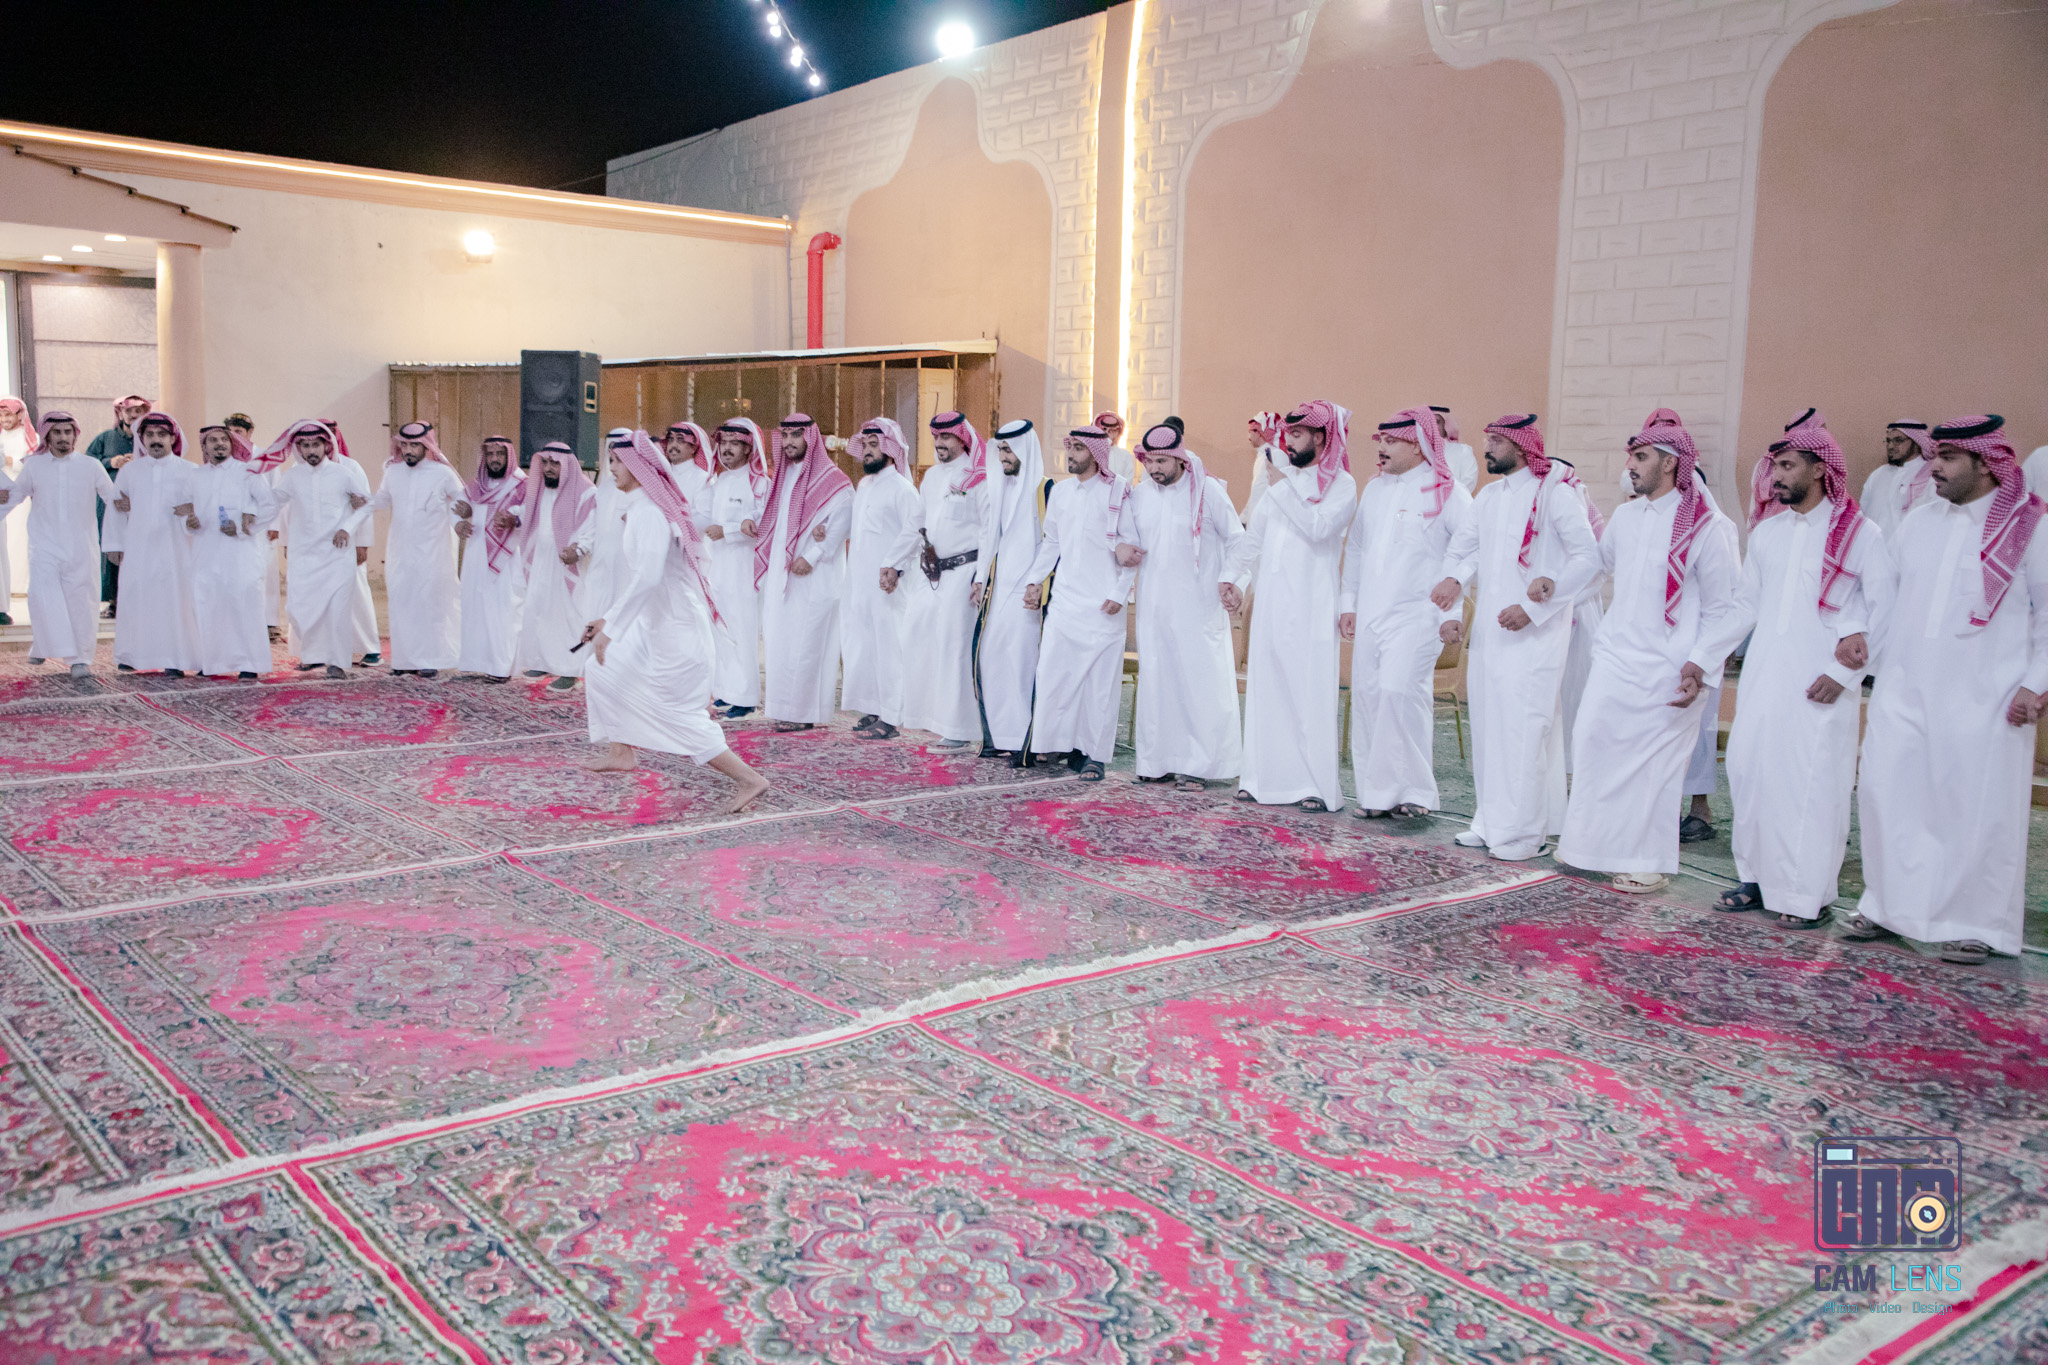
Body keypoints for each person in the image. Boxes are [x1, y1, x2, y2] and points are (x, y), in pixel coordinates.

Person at [1850, 415, 2045, 964]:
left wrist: (2035, 684)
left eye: (1949, 458)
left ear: (1987, 463)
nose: (1933, 466)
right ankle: (1887, 906)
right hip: (1904, 685)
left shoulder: (2030, 527)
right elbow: (1881, 596)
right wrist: (1859, 643)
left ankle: (1976, 923)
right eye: (1934, 455)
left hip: (1988, 695)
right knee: (1887, 792)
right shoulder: (1919, 521)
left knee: (1976, 809)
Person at [1715, 413, 1893, 928]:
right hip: (1764, 677)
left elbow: (1883, 612)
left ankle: (1804, 895)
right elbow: (1745, 606)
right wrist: (1703, 657)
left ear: (1820, 469)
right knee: (1749, 771)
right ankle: (1753, 877)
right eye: (1775, 467)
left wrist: (1843, 677)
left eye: (1788, 466)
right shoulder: (1768, 534)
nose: (1776, 476)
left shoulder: (1861, 534)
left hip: (1821, 683)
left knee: (1810, 786)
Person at [1556, 409, 1744, 893]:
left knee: (1655, 767)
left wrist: (1700, 664)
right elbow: (1597, 569)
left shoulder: (1709, 526)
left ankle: (1648, 861)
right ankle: (1590, 847)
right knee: (1592, 738)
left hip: (1673, 664)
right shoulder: (1626, 517)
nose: (1631, 466)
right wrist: (1551, 590)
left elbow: (1727, 608)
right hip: (1617, 656)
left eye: (1640, 457)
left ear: (1669, 462)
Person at [578, 430, 771, 812]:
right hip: (654, 625)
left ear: (638, 467)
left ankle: (750, 779)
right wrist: (607, 620)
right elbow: (643, 580)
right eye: (611, 460)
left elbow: (648, 578)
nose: (611, 468)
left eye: (617, 462)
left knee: (680, 717)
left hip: (678, 630)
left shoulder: (649, 513)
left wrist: (612, 628)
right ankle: (621, 751)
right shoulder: (641, 509)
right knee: (602, 669)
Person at [1437, 415, 1601, 859]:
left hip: (1536, 637)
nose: (1487, 447)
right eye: (1487, 438)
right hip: (1491, 635)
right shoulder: (1489, 497)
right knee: (1490, 727)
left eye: (1496, 440)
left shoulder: (1556, 494)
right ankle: (1490, 822)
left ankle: (1526, 835)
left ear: (1522, 446)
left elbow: (1588, 558)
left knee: (1525, 730)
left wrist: (1534, 609)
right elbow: (1462, 550)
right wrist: (1453, 590)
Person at [1340, 408, 1475, 818]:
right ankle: (1376, 794)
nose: (1381, 448)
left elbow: (1471, 547)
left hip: (1419, 615)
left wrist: (1454, 598)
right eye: (1380, 441)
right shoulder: (1375, 490)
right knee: (1369, 697)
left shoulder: (1449, 492)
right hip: (1371, 613)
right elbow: (1356, 548)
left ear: (1417, 446)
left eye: (1391, 441)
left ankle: (1416, 792)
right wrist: (1348, 603)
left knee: (1400, 693)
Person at [1228, 400, 1359, 811]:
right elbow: (1254, 537)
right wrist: (1232, 577)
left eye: (1298, 434)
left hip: (1313, 603)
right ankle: (1261, 779)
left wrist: (1283, 485)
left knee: (1309, 691)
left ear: (1321, 437)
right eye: (1289, 433)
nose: (1289, 441)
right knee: (1267, 689)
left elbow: (1319, 528)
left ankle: (1312, 785)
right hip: (1271, 600)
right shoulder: (1281, 483)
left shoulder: (1342, 485)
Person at [1114, 422, 1244, 790]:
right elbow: (1125, 540)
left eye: (1162, 461)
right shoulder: (1141, 496)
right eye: (1149, 461)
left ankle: (1200, 766)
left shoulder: (1208, 491)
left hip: (1199, 607)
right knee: (1158, 681)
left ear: (1180, 459)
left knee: (1198, 684)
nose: (1154, 468)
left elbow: (1238, 540)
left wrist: (1231, 579)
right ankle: (1156, 761)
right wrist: (1121, 549)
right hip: (1155, 606)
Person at [1019, 427, 1138, 780]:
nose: (1070, 454)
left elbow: (1132, 548)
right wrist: (1034, 580)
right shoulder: (1061, 492)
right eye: (1069, 446)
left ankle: (1093, 756)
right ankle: (1054, 743)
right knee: (1054, 674)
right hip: (1065, 602)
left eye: (1079, 448)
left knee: (1099, 686)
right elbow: (1052, 543)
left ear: (1097, 454)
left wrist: (1120, 593)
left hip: (1104, 604)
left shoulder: (1117, 491)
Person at [755, 413, 852, 731]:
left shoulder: (834, 480)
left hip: (814, 577)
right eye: (784, 436)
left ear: (810, 438)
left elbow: (842, 517)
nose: (789, 442)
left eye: (796, 435)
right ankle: (785, 709)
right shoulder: (782, 479)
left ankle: (802, 713)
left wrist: (812, 555)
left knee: (807, 644)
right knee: (780, 642)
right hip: (783, 577)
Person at [0, 412, 116, 676]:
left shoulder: (91, 466)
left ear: (75, 435)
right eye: (57, 432)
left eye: (68, 432)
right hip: (44, 545)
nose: (63, 438)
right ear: (47, 436)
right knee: (42, 596)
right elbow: (14, 496)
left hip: (81, 546)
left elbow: (114, 499)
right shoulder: (34, 466)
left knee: (81, 601)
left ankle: (80, 659)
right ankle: (44, 644)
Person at [902, 411, 988, 747]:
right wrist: (893, 563)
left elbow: (988, 531)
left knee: (955, 650)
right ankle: (930, 719)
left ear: (962, 439)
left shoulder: (979, 477)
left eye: (946, 437)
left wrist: (982, 578)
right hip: (932, 574)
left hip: (965, 574)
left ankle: (959, 730)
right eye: (936, 437)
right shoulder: (932, 477)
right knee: (920, 639)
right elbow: (916, 524)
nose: (939, 443)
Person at [267, 420, 372, 678]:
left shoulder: (343, 473)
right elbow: (273, 503)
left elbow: (366, 506)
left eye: (316, 444)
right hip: (303, 555)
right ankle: (313, 655)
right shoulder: (293, 476)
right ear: (299, 448)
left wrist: (347, 528)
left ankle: (337, 661)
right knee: (300, 608)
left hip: (337, 554)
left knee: (337, 609)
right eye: (305, 445)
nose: (311, 450)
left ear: (326, 446)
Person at [100, 413, 203, 676]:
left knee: (175, 600)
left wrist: (193, 516)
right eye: (150, 435)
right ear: (142, 439)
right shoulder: (130, 471)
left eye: (161, 435)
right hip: (138, 547)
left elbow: (199, 507)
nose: (155, 440)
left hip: (177, 547)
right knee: (136, 596)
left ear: (172, 438)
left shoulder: (190, 470)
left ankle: (176, 658)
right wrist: (114, 544)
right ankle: (133, 655)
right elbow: (116, 507)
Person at [971, 419, 1051, 760]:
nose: (1003, 456)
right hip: (998, 590)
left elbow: (1051, 543)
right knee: (991, 658)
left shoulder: (1045, 490)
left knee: (1022, 663)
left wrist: (1038, 582)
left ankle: (1025, 741)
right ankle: (1000, 738)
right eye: (1001, 449)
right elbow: (989, 537)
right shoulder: (998, 487)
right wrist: (979, 578)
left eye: (1009, 450)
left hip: (1029, 594)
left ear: (1024, 450)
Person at [841, 417, 921, 739]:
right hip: (860, 583)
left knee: (889, 648)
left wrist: (895, 567)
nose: (868, 451)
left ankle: (891, 718)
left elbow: (914, 533)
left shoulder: (903, 489)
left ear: (890, 448)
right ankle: (873, 709)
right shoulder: (864, 485)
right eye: (865, 445)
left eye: (874, 445)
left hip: (889, 585)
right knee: (864, 646)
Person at [371, 421, 464, 677]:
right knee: (401, 601)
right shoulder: (393, 472)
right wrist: (361, 501)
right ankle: (404, 661)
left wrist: (460, 525)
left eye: (414, 445)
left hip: (434, 553)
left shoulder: (443, 474)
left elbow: (461, 502)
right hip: (400, 551)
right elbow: (382, 500)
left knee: (429, 605)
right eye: (404, 445)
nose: (408, 450)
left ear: (426, 446)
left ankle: (431, 659)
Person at [189, 423, 277, 679]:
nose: (219, 444)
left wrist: (242, 527)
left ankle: (249, 663)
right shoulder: (195, 476)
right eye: (213, 440)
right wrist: (188, 523)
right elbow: (184, 508)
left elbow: (270, 506)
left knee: (243, 603)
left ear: (232, 444)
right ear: (204, 447)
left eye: (224, 440)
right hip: (206, 551)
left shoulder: (248, 472)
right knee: (209, 603)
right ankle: (212, 662)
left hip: (241, 552)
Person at [511, 442, 597, 690]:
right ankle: (543, 661)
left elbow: (592, 527)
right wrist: (512, 516)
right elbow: (526, 512)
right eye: (545, 462)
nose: (548, 468)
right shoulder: (539, 488)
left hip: (568, 564)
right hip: (541, 560)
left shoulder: (586, 491)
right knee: (540, 610)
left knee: (568, 616)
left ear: (567, 465)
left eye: (555, 463)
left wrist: (578, 550)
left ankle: (570, 670)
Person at [705, 419, 770, 716]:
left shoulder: (759, 483)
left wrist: (728, 531)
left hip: (745, 569)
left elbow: (761, 523)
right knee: (721, 630)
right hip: (719, 567)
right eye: (724, 443)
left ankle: (745, 698)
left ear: (748, 448)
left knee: (743, 631)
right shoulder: (720, 481)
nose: (727, 449)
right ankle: (725, 691)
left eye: (735, 443)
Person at [454, 434, 526, 682]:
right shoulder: (476, 485)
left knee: (502, 611)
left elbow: (530, 514)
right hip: (475, 555)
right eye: (490, 454)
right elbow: (457, 508)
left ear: (509, 456)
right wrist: (458, 524)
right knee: (474, 608)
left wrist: (514, 518)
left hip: (506, 558)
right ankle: (476, 663)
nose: (495, 459)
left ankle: (501, 667)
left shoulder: (520, 485)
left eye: (500, 454)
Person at [85, 394, 151, 618]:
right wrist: (111, 462)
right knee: (113, 548)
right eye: (129, 411)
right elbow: (87, 462)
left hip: (142, 503)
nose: (133, 415)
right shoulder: (105, 438)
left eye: (138, 411)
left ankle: (139, 599)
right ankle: (113, 602)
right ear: (120, 413)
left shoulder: (149, 439)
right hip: (110, 504)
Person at [1862, 421, 1935, 539]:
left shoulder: (1930, 474)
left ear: (1916, 442)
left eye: (1898, 440)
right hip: (1875, 545)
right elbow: (1864, 512)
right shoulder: (1878, 474)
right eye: (1888, 441)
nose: (1890, 446)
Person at [0, 396, 34, 624]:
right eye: (1, 415)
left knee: (18, 542)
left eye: (8, 414)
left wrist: (10, 461)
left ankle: (18, 589)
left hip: (17, 496)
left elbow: (33, 463)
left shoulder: (28, 436)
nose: (4, 419)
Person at [1430, 406, 1479, 493]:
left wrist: (1445, 496)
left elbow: (1469, 481)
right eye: (1429, 423)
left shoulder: (1462, 451)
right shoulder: (1418, 453)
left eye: (1437, 422)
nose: (1433, 426)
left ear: (1446, 425)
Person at [1091, 411, 1139, 482]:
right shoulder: (1090, 453)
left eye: (1114, 430)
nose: (1109, 433)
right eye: (1104, 429)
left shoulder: (1125, 455)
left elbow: (1128, 483)